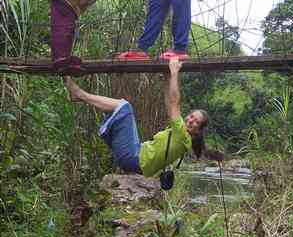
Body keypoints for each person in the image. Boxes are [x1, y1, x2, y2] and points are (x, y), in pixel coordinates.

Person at [64, 57, 223, 178]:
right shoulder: (182, 136)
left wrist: (174, 72)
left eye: (196, 122)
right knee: (116, 109)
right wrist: (167, 78)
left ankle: (79, 94)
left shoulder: (183, 136)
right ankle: (78, 96)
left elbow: (175, 102)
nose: (190, 120)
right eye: (191, 116)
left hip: (134, 158)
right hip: (136, 156)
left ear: (198, 130)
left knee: (124, 107)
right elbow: (169, 104)